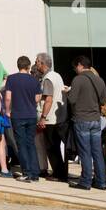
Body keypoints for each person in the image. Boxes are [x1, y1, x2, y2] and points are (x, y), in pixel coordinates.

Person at [66, 55, 106, 191]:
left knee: (85, 152)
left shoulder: (78, 80)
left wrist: (68, 92)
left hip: (81, 119)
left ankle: (85, 181)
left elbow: (72, 100)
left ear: (79, 65)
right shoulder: (99, 80)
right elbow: (103, 101)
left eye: (75, 67)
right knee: (97, 152)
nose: (75, 70)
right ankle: (101, 181)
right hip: (96, 120)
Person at [4, 56, 42, 182]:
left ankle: (27, 172)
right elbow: (37, 98)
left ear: (18, 65)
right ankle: (35, 173)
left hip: (18, 115)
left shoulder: (11, 79)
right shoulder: (34, 80)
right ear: (28, 66)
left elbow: (8, 97)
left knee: (21, 144)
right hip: (31, 114)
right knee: (31, 143)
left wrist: (8, 111)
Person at [35, 52, 68, 182]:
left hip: (51, 119)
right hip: (60, 117)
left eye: (37, 61)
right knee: (58, 148)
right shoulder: (57, 75)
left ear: (42, 63)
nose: (36, 63)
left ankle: (58, 174)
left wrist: (43, 117)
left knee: (52, 148)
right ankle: (62, 172)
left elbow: (48, 99)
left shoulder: (48, 78)